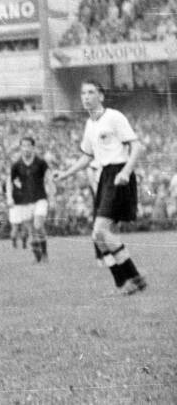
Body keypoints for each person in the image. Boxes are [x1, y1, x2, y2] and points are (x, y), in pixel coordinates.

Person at [54, 81, 147, 294]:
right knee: (99, 236)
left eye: (91, 92)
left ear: (101, 96)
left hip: (119, 174)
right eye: (83, 93)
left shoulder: (113, 117)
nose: (86, 97)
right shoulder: (90, 124)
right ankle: (130, 280)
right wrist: (66, 173)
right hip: (105, 176)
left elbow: (136, 146)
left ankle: (128, 281)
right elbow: (87, 156)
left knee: (100, 230)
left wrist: (125, 172)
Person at [7, 137, 51, 262]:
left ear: (33, 147)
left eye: (28, 145)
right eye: (23, 146)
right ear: (20, 148)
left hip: (40, 198)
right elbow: (10, 182)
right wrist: (10, 197)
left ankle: (44, 252)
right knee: (32, 230)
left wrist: (52, 197)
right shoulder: (16, 165)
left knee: (38, 224)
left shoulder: (41, 163)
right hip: (25, 200)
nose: (26, 148)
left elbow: (49, 179)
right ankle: (39, 256)